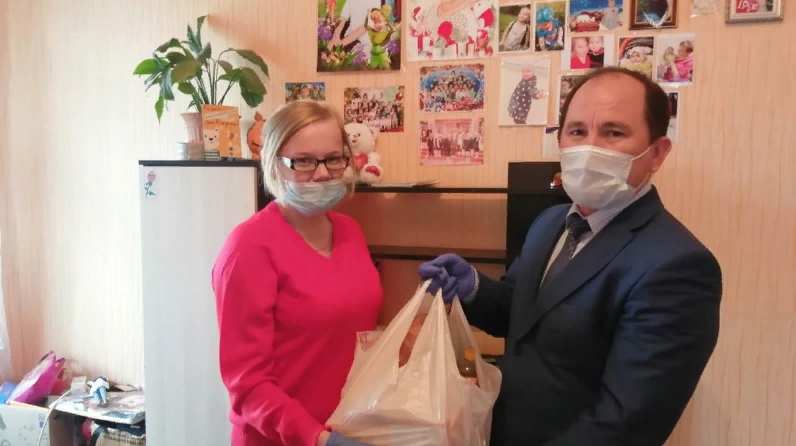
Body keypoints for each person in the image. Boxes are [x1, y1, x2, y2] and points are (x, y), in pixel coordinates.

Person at [418, 67, 722, 446]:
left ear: (657, 153)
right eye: (577, 131)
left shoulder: (677, 266)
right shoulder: (551, 222)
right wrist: (474, 289)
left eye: (614, 132)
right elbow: (523, 317)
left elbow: (627, 424)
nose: (589, 148)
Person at [212, 100, 382, 446]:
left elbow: (356, 333)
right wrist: (317, 438)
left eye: (333, 158)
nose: (322, 173)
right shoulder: (248, 248)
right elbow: (247, 384)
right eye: (303, 161)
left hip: (351, 429)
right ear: (274, 164)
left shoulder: (349, 231)